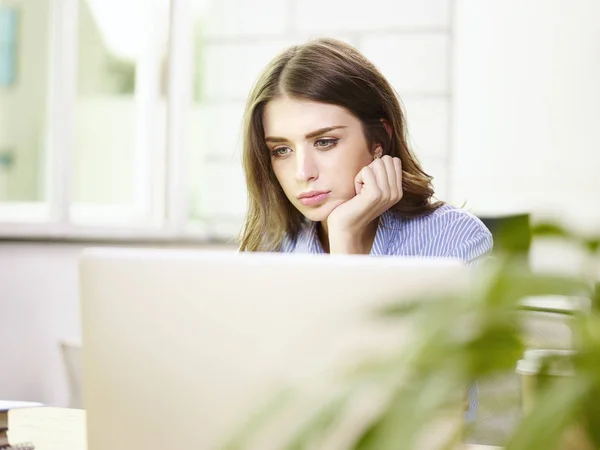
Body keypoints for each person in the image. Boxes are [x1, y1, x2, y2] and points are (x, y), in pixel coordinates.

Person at [238, 37, 493, 265]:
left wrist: (345, 235)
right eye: (282, 150)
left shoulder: (454, 241)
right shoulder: (269, 251)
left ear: (378, 139)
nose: (303, 173)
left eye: (324, 142)